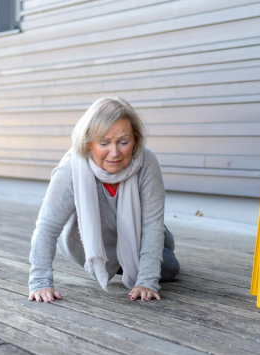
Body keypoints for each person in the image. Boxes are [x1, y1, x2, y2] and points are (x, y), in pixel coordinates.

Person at [28, 96, 179, 303]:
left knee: (170, 267)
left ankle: (163, 237)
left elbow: (151, 225)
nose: (115, 153)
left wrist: (146, 282)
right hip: (88, 242)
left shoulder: (147, 161)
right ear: (88, 142)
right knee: (152, 258)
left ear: (135, 140)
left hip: (137, 231)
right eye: (104, 143)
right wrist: (40, 282)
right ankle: (124, 258)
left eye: (123, 142)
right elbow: (46, 226)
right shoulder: (68, 170)